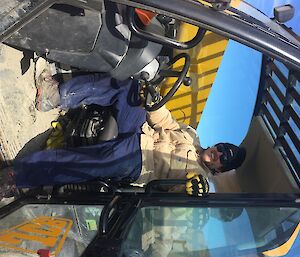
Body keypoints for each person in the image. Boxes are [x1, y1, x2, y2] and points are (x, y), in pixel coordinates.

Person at [0, 71, 246, 198]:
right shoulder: (192, 136)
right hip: (139, 131)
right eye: (223, 147)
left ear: (220, 169)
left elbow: (176, 202)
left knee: (83, 163)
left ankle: (16, 178)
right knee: (128, 88)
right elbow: (165, 122)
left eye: (224, 158)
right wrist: (153, 100)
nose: (219, 153)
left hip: (139, 161)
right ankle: (56, 95)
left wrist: (192, 195)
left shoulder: (198, 180)